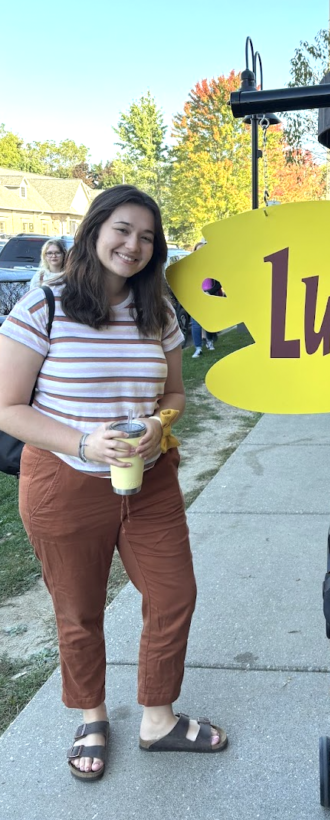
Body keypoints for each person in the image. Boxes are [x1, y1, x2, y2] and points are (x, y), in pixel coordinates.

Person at [0, 185, 227, 782]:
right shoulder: (43, 308)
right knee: (78, 611)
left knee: (174, 594)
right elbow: (6, 407)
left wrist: (158, 422)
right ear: (95, 230)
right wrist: (81, 442)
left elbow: (175, 392)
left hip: (148, 480)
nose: (135, 245)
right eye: (123, 230)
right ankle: (92, 716)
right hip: (64, 481)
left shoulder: (160, 313)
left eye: (148, 237)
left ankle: (157, 716)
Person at [189, 240, 225, 358]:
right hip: (196, 298)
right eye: (198, 250)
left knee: (208, 321)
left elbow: (219, 284)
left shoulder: (212, 265)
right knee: (196, 324)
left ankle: (209, 342)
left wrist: (209, 292)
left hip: (209, 296)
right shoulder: (191, 267)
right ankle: (198, 348)